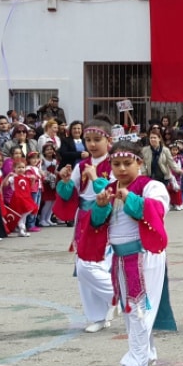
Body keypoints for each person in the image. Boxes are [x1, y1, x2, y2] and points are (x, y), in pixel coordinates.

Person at [86, 140, 174, 366]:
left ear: (140, 162)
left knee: (137, 308)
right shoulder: (110, 189)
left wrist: (131, 200)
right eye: (116, 164)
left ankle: (135, 363)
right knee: (133, 310)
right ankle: (148, 353)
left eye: (127, 163)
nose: (122, 169)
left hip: (145, 255)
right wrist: (101, 207)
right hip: (121, 257)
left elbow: (157, 211)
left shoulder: (151, 186)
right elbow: (97, 224)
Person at [54, 121, 117, 334]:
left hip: (105, 217)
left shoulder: (116, 164)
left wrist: (95, 177)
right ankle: (98, 315)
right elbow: (68, 195)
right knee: (84, 270)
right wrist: (63, 182)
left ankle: (118, 299)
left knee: (97, 266)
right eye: (88, 140)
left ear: (109, 140)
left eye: (97, 140)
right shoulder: (81, 165)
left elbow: (112, 192)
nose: (91, 144)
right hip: (83, 219)